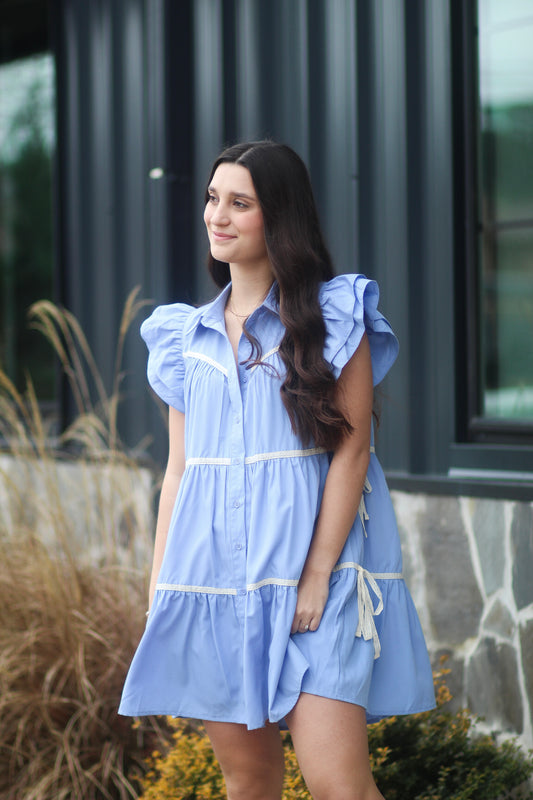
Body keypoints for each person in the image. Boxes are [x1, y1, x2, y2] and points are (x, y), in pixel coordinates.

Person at [119, 140, 435, 800]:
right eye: (212, 199)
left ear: (279, 217)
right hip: (212, 586)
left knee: (337, 785)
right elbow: (179, 470)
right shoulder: (183, 339)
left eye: (240, 203)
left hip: (317, 584)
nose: (218, 216)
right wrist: (161, 591)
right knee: (249, 784)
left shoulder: (331, 318)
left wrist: (316, 575)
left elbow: (351, 451)